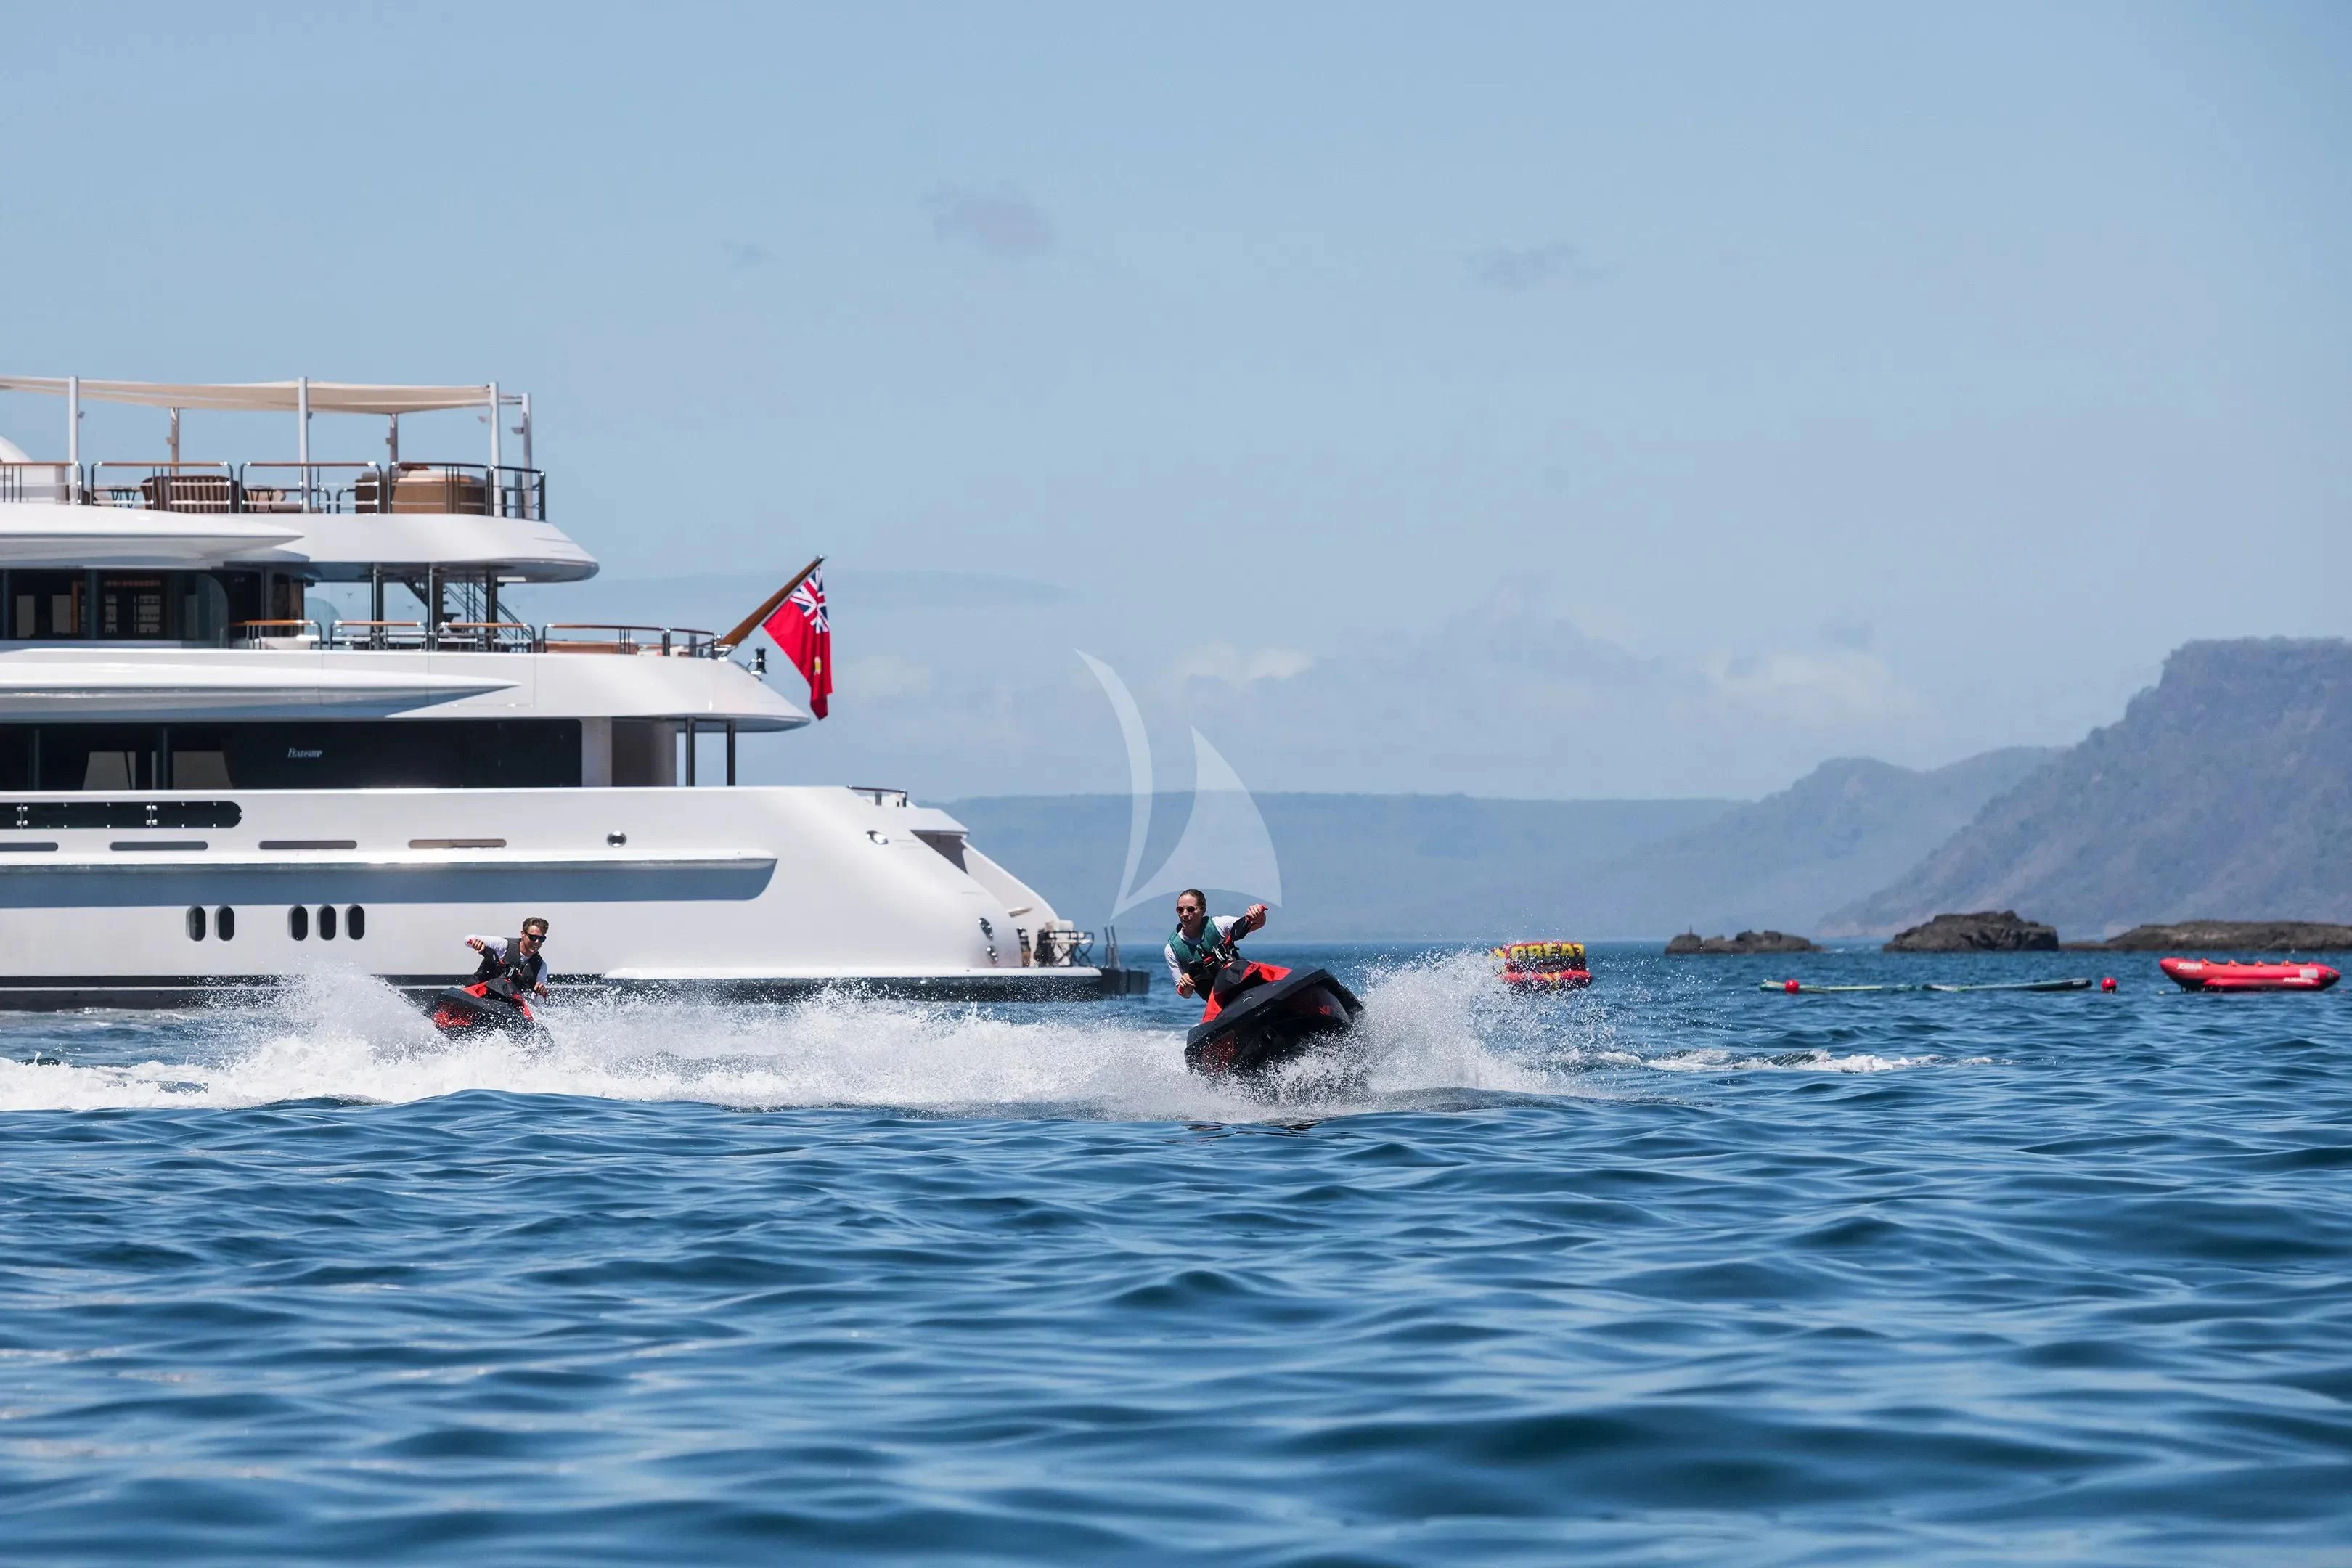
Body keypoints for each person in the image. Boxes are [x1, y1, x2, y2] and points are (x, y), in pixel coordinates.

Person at [1166, 890, 1270, 1000]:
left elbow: (1257, 924)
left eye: (1190, 909)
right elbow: (1186, 994)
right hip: (1220, 1002)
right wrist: (1186, 985)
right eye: (1180, 910)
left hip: (1245, 986)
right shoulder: (1171, 949)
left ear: (1203, 910)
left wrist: (1257, 913)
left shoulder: (1219, 925)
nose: (1184, 914)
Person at [467, 918, 552, 997]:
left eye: (541, 939)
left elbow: (537, 1003)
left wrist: (540, 994)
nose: (537, 942)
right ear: (523, 934)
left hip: (504, 1004)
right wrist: (475, 942)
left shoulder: (541, 967)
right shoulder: (503, 946)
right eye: (533, 937)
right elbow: (468, 938)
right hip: (476, 995)